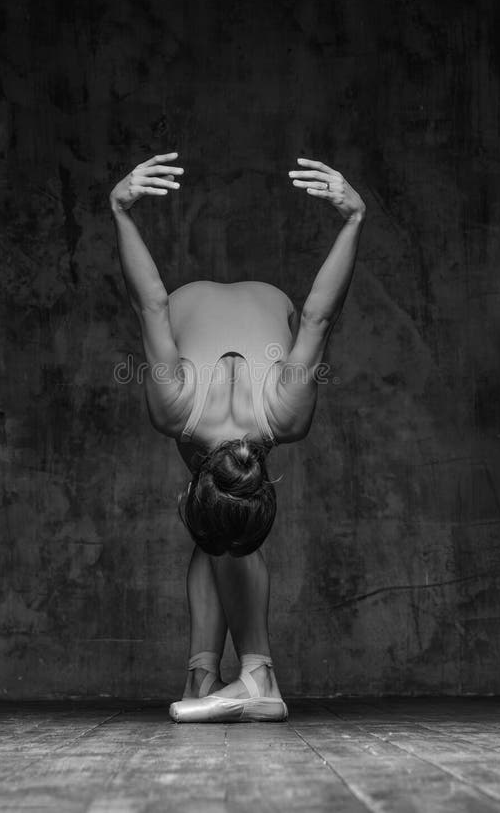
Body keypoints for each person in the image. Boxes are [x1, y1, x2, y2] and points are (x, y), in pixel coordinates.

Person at [110, 151, 366, 722]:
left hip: (254, 321)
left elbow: (319, 318)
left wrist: (355, 220)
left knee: (220, 531)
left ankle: (233, 675)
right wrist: (120, 213)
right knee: (223, 531)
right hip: (238, 325)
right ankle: (233, 673)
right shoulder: (174, 411)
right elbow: (151, 303)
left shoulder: (284, 418)